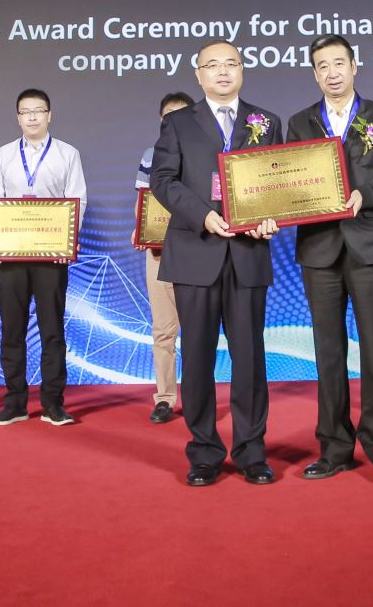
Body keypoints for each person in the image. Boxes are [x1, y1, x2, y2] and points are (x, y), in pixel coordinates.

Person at [151, 42, 282, 486]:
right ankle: (204, 452)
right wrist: (202, 215)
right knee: (198, 358)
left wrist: (271, 217)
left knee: (250, 360)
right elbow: (163, 180)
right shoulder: (178, 122)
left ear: (242, 70)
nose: (223, 72)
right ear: (198, 74)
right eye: (213, 65)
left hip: (248, 255)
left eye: (231, 64)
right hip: (196, 251)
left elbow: (277, 180)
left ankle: (252, 452)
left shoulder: (266, 121)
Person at [286, 34, 373, 485]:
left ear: (354, 66)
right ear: (314, 74)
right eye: (322, 66)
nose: (332, 72)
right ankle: (334, 448)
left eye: (339, 63)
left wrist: (365, 195)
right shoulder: (300, 122)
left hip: (372, 246)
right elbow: (289, 181)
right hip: (319, 249)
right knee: (327, 353)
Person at [0, 88, 86, 428]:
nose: (32, 116)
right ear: (18, 117)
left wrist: (65, 244)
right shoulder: (3, 155)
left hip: (51, 257)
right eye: (25, 111)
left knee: (52, 330)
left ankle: (53, 404)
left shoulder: (68, 153)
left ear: (49, 115)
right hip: (11, 256)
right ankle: (14, 403)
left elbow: (78, 200)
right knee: (12, 330)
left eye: (38, 110)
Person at [135, 90, 193, 425]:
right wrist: (140, 231)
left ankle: (199, 396)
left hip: (198, 250)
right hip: (158, 250)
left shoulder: (207, 153)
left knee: (198, 330)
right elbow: (143, 201)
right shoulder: (151, 155)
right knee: (163, 330)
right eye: (169, 116)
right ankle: (165, 398)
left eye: (182, 115)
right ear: (161, 121)